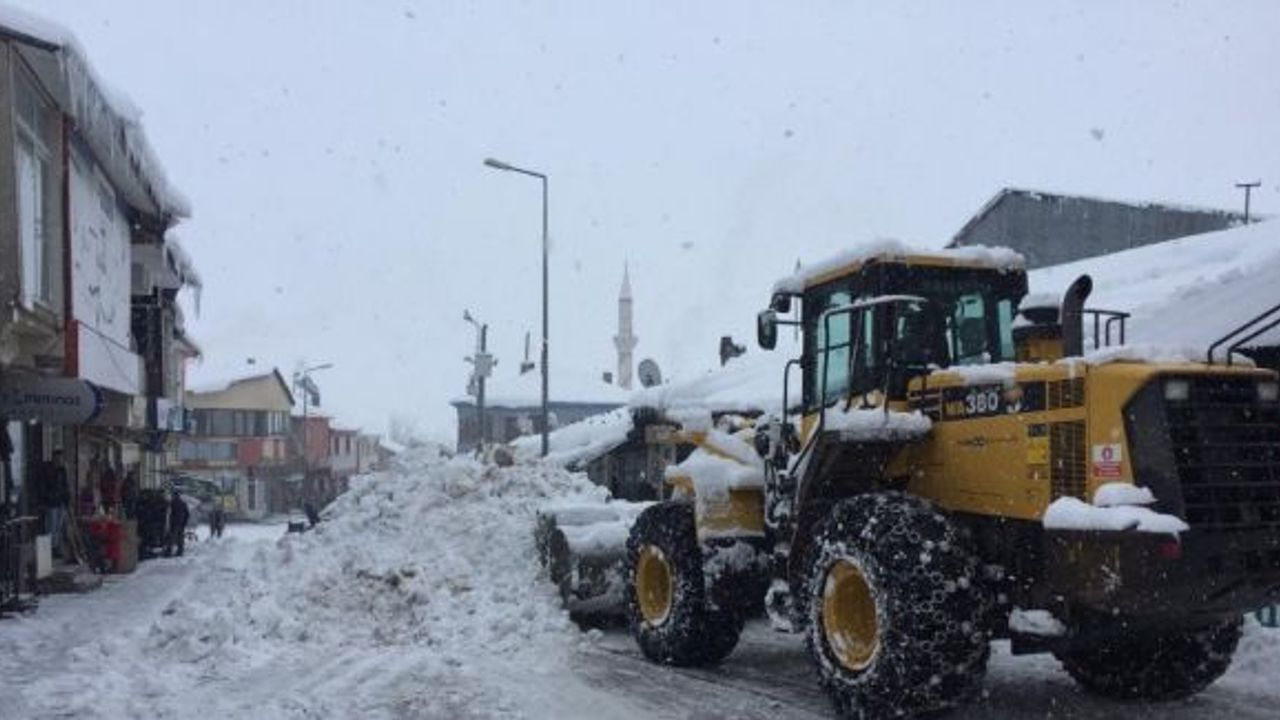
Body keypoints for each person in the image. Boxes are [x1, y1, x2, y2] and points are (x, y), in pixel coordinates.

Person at [39, 451, 70, 559]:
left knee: (59, 527)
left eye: (61, 459)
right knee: (51, 526)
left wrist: (67, 499)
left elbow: (65, 485)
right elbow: (43, 486)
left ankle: (56, 548)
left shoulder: (62, 470)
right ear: (53, 458)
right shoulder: (47, 470)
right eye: (57, 458)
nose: (59, 461)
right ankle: (50, 549)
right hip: (51, 503)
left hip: (61, 502)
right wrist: (47, 498)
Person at [165, 491, 190, 557]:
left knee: (172, 537)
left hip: (174, 523)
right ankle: (180, 551)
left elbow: (168, 512)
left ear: (174, 496)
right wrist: (185, 522)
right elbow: (187, 514)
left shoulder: (172, 503)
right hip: (181, 522)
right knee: (180, 538)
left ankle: (169, 551)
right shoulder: (183, 503)